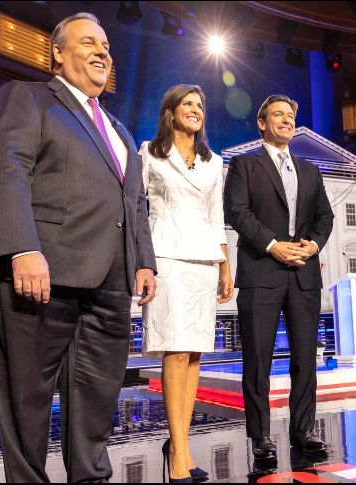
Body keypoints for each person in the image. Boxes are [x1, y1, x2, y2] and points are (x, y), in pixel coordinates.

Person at [0, 13, 157, 482]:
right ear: (58, 52)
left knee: (98, 391)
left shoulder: (120, 130)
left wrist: (143, 261)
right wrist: (21, 248)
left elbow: (135, 200)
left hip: (109, 280)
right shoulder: (26, 97)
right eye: (89, 42)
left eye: (107, 47)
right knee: (26, 395)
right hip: (40, 269)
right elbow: (5, 167)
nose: (103, 53)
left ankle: (90, 476)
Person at [224, 95, 334, 460]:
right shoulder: (244, 165)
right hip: (261, 272)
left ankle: (303, 431)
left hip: (303, 274)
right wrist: (273, 245)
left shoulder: (310, 169)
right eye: (278, 115)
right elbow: (237, 213)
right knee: (258, 360)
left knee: (305, 358)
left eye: (291, 115)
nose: (286, 120)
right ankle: (260, 437)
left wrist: (313, 246)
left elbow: (325, 217)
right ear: (261, 122)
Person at [139, 84, 233, 482]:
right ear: (170, 110)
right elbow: (135, 207)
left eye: (200, 105)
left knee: (194, 355)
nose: (196, 109)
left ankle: (182, 447)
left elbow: (217, 216)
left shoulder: (215, 162)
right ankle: (178, 455)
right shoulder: (149, 153)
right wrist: (141, 262)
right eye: (188, 103)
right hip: (167, 258)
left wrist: (225, 265)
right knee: (175, 354)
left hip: (204, 263)